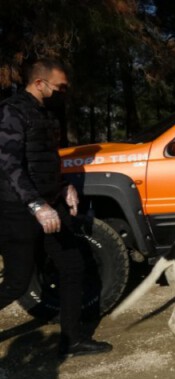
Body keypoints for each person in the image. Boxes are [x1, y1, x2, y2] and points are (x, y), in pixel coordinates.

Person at [0, 59, 112, 358]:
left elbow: (46, 162)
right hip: (19, 209)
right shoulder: (12, 111)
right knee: (15, 283)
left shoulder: (47, 114)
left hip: (52, 204)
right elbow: (9, 165)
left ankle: (72, 340)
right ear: (40, 83)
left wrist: (65, 187)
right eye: (60, 86)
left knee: (73, 266)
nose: (64, 91)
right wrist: (36, 205)